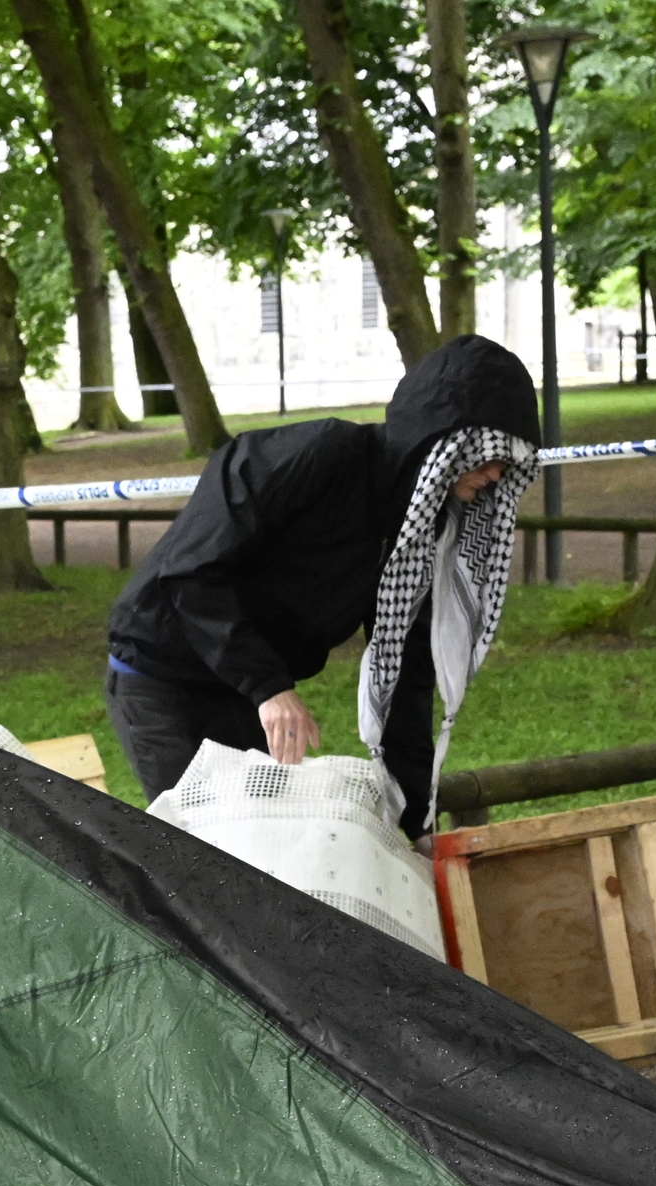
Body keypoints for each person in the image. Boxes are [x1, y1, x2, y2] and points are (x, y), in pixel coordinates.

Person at [102, 334, 538, 832]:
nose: (497, 474)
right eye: (488, 455)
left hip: (243, 690)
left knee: (265, 847)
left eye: (507, 462)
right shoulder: (318, 455)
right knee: (208, 850)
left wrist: (415, 820)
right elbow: (190, 572)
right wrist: (269, 688)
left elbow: (403, 671)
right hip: (162, 676)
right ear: (442, 442)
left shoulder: (417, 525)